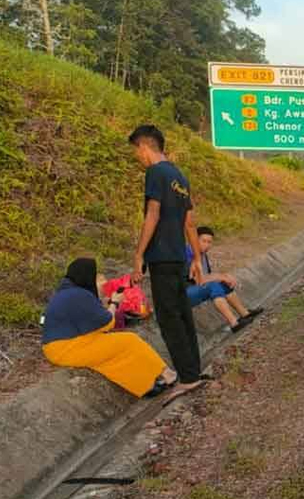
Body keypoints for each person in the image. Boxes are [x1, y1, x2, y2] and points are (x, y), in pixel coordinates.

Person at [129, 124, 204, 400]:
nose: (138, 157)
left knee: (169, 318)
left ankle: (188, 378)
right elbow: (189, 221)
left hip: (160, 256)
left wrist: (139, 254)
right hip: (178, 256)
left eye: (137, 151)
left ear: (144, 147)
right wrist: (196, 257)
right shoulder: (179, 176)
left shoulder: (155, 172)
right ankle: (193, 370)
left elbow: (153, 213)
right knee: (183, 314)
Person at [42, 258, 177, 398]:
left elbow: (90, 321)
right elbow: (107, 323)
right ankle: (167, 374)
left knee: (108, 359)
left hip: (62, 346)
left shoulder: (66, 292)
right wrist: (114, 303)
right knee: (130, 340)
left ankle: (145, 386)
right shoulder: (79, 294)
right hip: (67, 347)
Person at [185, 226, 263, 333]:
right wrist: (220, 276)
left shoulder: (202, 255)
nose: (207, 245)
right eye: (204, 241)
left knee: (223, 283)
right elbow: (198, 280)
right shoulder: (187, 253)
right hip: (182, 294)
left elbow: (207, 276)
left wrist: (224, 276)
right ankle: (234, 323)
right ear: (195, 240)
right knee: (214, 285)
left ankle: (244, 314)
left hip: (196, 289)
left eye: (209, 242)